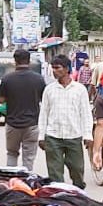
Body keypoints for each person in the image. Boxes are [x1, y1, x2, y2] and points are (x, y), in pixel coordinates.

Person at [36, 53, 93, 188]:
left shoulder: (79, 89)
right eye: (53, 68)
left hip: (73, 135)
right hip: (53, 136)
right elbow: (44, 113)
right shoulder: (49, 89)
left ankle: (78, 196)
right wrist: (41, 136)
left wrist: (88, 134)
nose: (54, 71)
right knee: (55, 174)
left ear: (67, 69)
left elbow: (85, 113)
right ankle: (59, 199)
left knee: (77, 170)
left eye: (57, 68)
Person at [0, 48, 46, 171]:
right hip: (32, 124)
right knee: (28, 158)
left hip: (12, 124)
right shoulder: (38, 79)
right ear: (29, 61)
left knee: (12, 153)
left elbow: (1, 100)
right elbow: (43, 100)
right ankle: (26, 183)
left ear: (15, 61)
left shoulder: (7, 79)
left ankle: (11, 181)